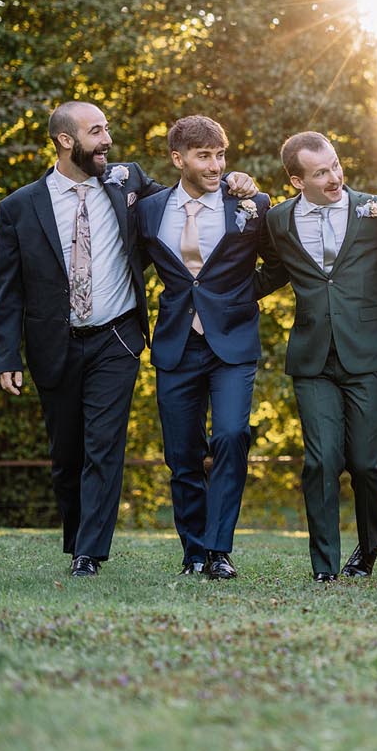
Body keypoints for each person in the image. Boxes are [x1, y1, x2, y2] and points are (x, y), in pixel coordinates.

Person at [0, 101, 254, 577]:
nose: (107, 140)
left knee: (104, 448)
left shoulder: (127, 181)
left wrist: (236, 181)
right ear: (67, 140)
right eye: (97, 131)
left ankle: (89, 553)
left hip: (117, 336)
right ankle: (78, 537)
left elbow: (186, 200)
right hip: (55, 341)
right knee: (66, 455)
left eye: (107, 129)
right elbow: (8, 289)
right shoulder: (20, 207)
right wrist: (6, 354)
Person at [133, 115, 277, 580]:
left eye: (220, 155)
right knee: (182, 454)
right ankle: (193, 551)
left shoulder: (250, 205)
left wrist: (238, 297)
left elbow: (278, 265)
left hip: (233, 341)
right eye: (204, 156)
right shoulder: (151, 210)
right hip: (176, 343)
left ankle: (219, 550)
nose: (216, 165)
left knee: (232, 434)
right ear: (179, 159)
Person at [262, 132, 377, 583]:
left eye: (335, 165)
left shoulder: (376, 211)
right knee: (320, 462)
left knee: (367, 464)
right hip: (313, 358)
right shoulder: (279, 220)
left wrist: (371, 309)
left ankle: (367, 552)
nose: (335, 177)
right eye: (321, 172)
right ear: (298, 181)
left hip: (370, 354)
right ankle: (324, 567)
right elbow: (274, 271)